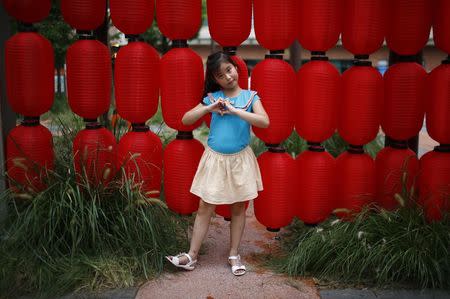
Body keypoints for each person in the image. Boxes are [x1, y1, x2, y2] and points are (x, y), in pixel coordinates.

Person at [165, 51, 269, 276]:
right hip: (215, 159)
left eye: (229, 70)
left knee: (238, 207)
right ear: (215, 80)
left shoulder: (251, 97)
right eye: (221, 76)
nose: (228, 77)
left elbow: (264, 121)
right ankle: (192, 256)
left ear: (236, 68)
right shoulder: (213, 98)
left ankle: (234, 254)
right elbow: (186, 120)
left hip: (240, 160)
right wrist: (208, 108)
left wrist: (235, 110)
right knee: (205, 205)